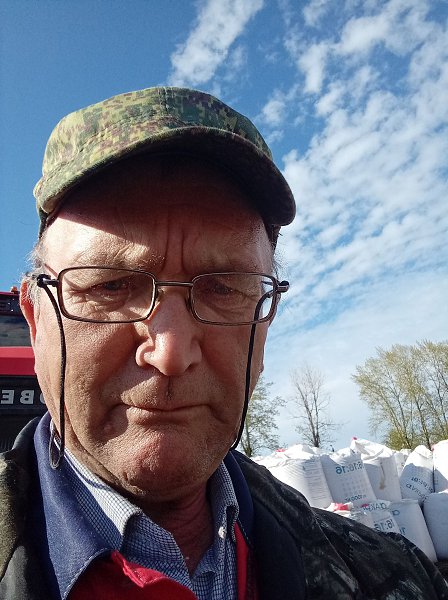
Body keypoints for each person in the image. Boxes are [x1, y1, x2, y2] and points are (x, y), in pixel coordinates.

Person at [0, 86, 446, 600]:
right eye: (110, 285)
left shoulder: (393, 577)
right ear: (36, 320)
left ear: (264, 325)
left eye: (224, 289)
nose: (170, 353)